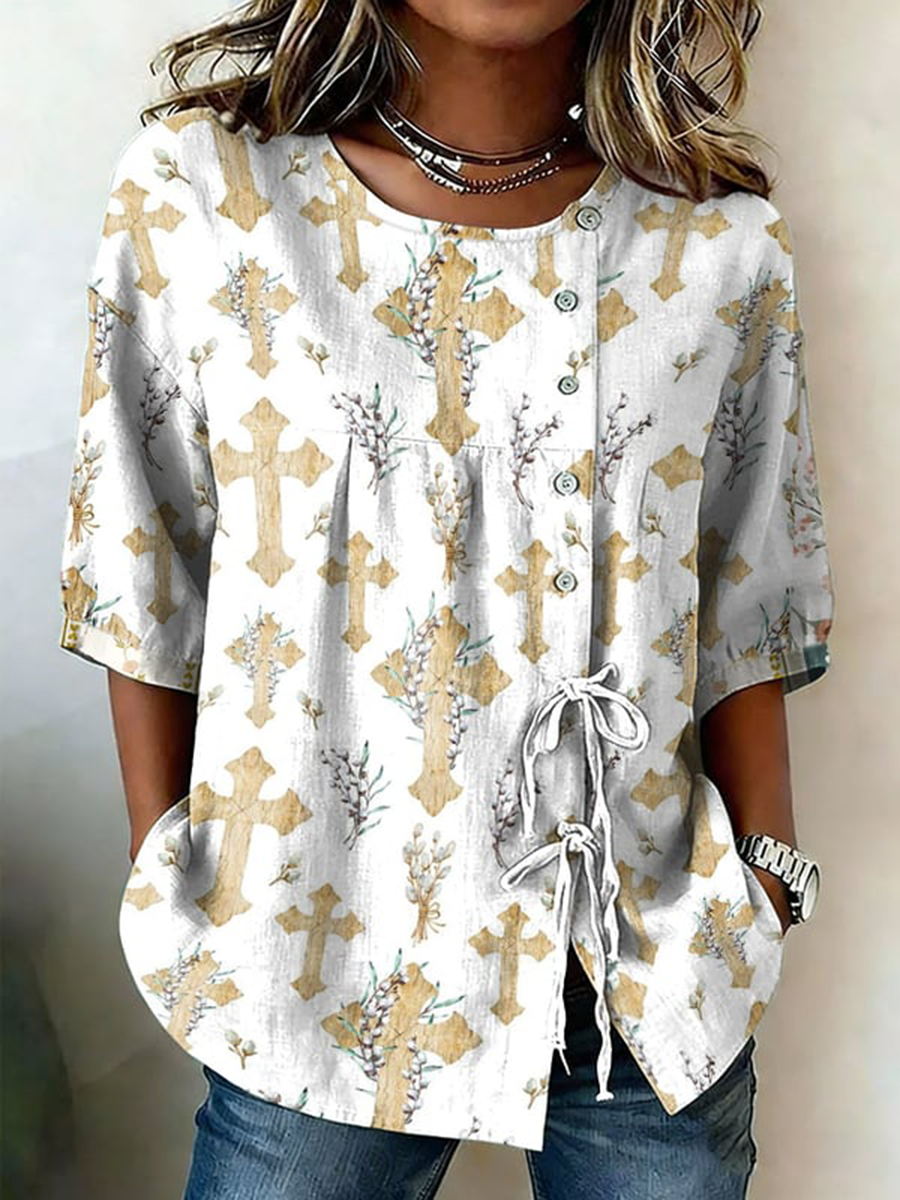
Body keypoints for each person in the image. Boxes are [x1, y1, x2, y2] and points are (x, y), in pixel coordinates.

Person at [56, 1, 835, 1197]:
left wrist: (765, 883)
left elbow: (750, 596)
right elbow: (141, 554)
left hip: (643, 974)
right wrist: (178, 863)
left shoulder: (719, 244)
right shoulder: (205, 195)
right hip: (312, 965)